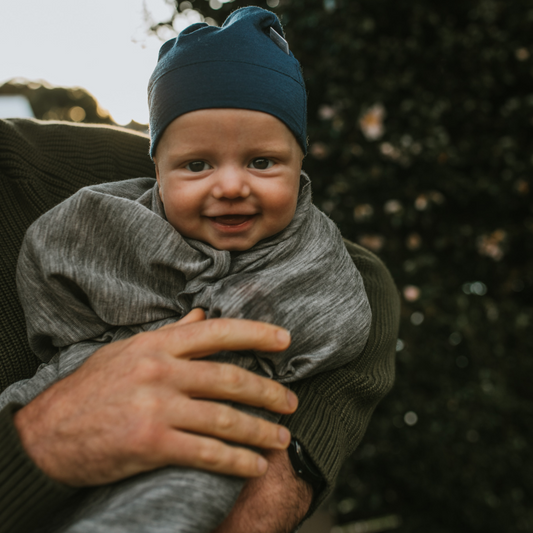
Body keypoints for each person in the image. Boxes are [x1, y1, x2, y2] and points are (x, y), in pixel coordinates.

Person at [0, 10, 400, 533]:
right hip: (75, 374)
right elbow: (50, 264)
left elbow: (349, 307)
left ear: (300, 164)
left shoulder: (309, 250)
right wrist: (79, 347)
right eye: (196, 166)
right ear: (157, 170)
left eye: (262, 163)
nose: (231, 185)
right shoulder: (110, 216)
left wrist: (245, 344)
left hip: (218, 405)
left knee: (172, 500)